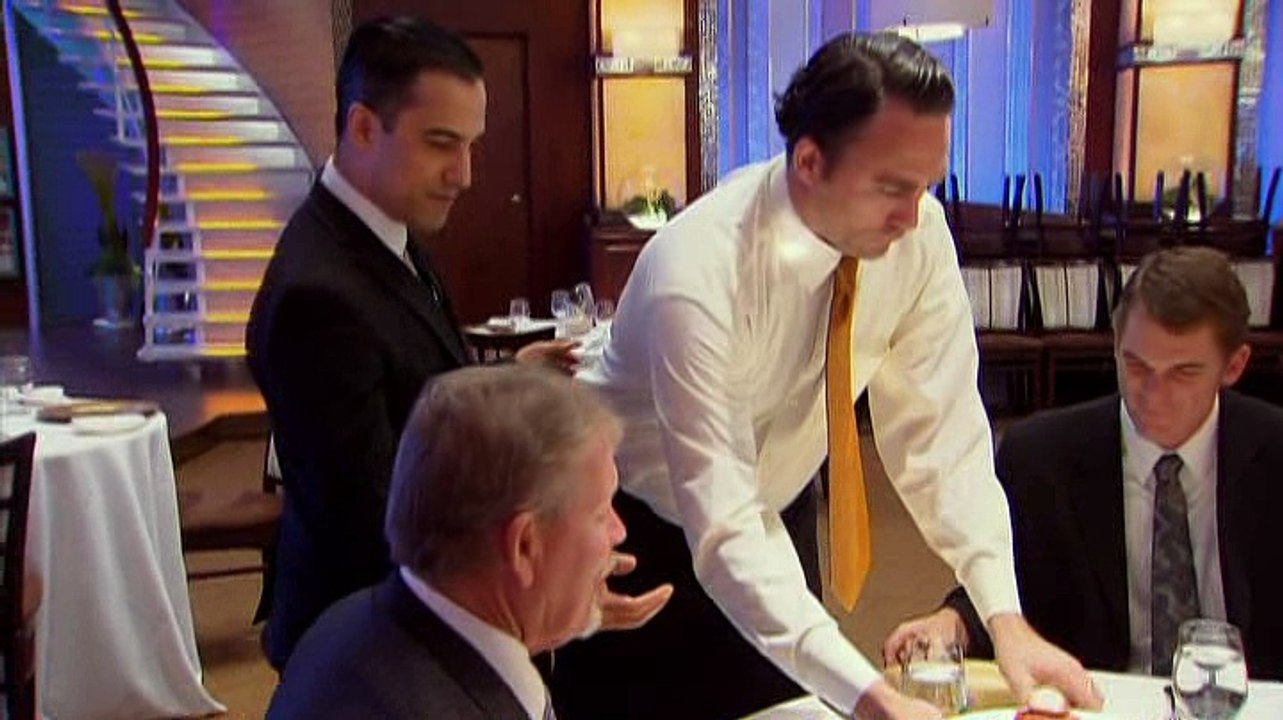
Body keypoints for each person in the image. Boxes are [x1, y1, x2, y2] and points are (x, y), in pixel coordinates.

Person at [550, 31, 1098, 720]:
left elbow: (943, 437)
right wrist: (873, 698)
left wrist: (1004, 616)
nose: (913, 215)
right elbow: (724, 523)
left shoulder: (918, 235)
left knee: (789, 702)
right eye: (892, 187)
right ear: (809, 161)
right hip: (633, 534)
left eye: (926, 185)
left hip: (778, 510)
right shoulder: (697, 271)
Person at [246, 16, 579, 670]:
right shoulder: (318, 295)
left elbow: (408, 384)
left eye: (471, 146)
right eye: (441, 144)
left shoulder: (384, 231)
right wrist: (524, 586)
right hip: (371, 641)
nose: (464, 174)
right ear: (364, 127)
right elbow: (371, 517)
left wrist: (506, 379)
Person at [885, 246, 1283, 682]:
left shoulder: (1273, 452)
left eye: (1183, 372)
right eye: (1137, 365)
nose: (1154, 394)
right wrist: (953, 623)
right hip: (1099, 698)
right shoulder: (1042, 457)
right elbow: (1013, 584)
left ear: (1233, 366)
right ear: (1115, 347)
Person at [266, 365, 660, 718]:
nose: (619, 531)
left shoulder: (349, 622)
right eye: (600, 513)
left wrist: (547, 616)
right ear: (523, 546)